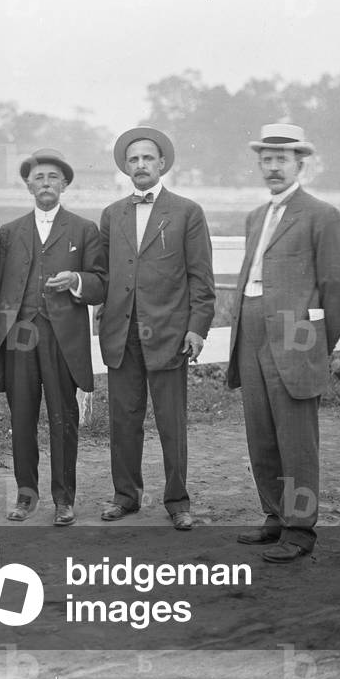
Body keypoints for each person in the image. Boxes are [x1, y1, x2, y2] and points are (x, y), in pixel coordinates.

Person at [226, 123, 340, 563]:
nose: (273, 167)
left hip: (295, 340)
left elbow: (339, 291)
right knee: (260, 434)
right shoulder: (254, 218)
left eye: (282, 159)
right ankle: (275, 517)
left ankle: (300, 531)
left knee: (296, 440)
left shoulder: (323, 215)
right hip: (251, 334)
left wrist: (317, 343)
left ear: (301, 164)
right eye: (267, 159)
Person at [98, 126, 215, 530]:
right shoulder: (112, 214)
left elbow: (201, 280)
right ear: (126, 167)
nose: (141, 165)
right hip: (122, 333)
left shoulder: (186, 212)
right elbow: (104, 275)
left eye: (148, 158)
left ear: (162, 163)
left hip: (167, 333)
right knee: (123, 420)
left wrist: (197, 328)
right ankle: (125, 496)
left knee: (171, 422)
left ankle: (177, 501)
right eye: (134, 160)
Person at [0, 148, 106, 526]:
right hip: (20, 334)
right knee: (21, 417)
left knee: (62, 418)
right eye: (38, 177)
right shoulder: (9, 232)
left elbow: (101, 284)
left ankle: (64, 499)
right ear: (28, 185)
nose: (46, 183)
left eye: (53, 177)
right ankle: (25, 495)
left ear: (65, 184)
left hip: (61, 338)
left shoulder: (83, 229)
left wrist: (77, 281)